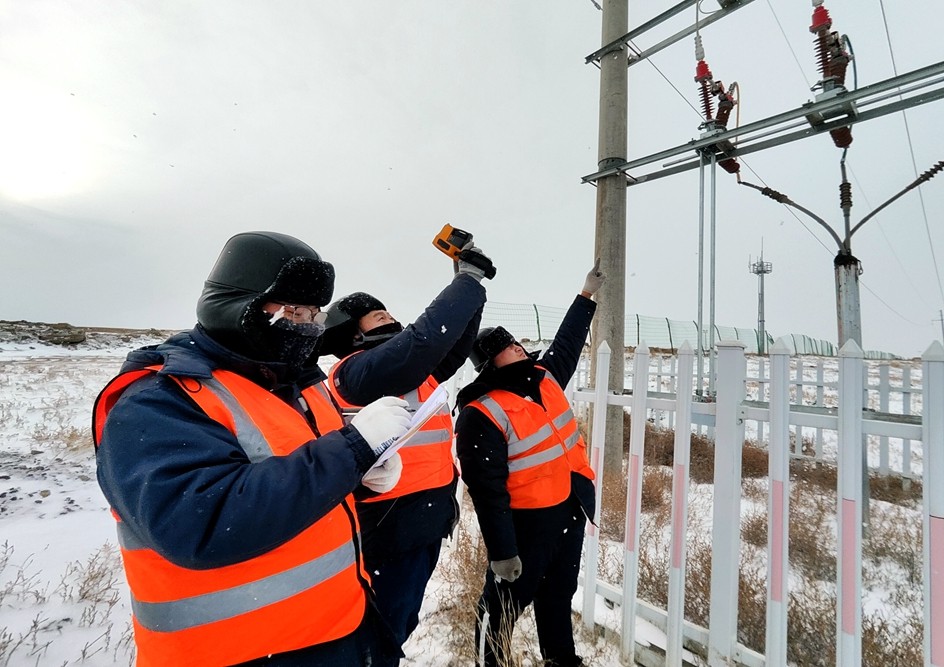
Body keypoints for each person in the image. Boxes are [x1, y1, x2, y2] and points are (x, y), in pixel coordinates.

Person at [92, 231, 411, 667]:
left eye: (314, 312)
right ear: (236, 302)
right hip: (237, 654)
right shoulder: (157, 400)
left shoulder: (296, 384)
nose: (306, 324)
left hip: (340, 627)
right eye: (293, 309)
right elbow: (200, 525)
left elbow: (298, 482)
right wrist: (350, 453)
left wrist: (360, 476)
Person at [316, 244, 492, 658]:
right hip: (388, 531)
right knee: (380, 632)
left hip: (420, 523)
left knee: (399, 622)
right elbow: (423, 341)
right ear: (353, 335)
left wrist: (468, 285)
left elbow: (450, 341)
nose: (392, 318)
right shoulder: (359, 370)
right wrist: (466, 282)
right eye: (380, 316)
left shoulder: (410, 368)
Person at [454, 260, 605, 667]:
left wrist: (585, 294)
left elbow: (569, 340)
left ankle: (561, 659)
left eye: (514, 340)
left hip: (569, 508)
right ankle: (492, 662)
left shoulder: (545, 376)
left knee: (558, 594)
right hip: (525, 526)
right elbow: (486, 490)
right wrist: (503, 551)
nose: (515, 345)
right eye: (503, 345)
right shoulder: (481, 413)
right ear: (489, 362)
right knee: (501, 608)